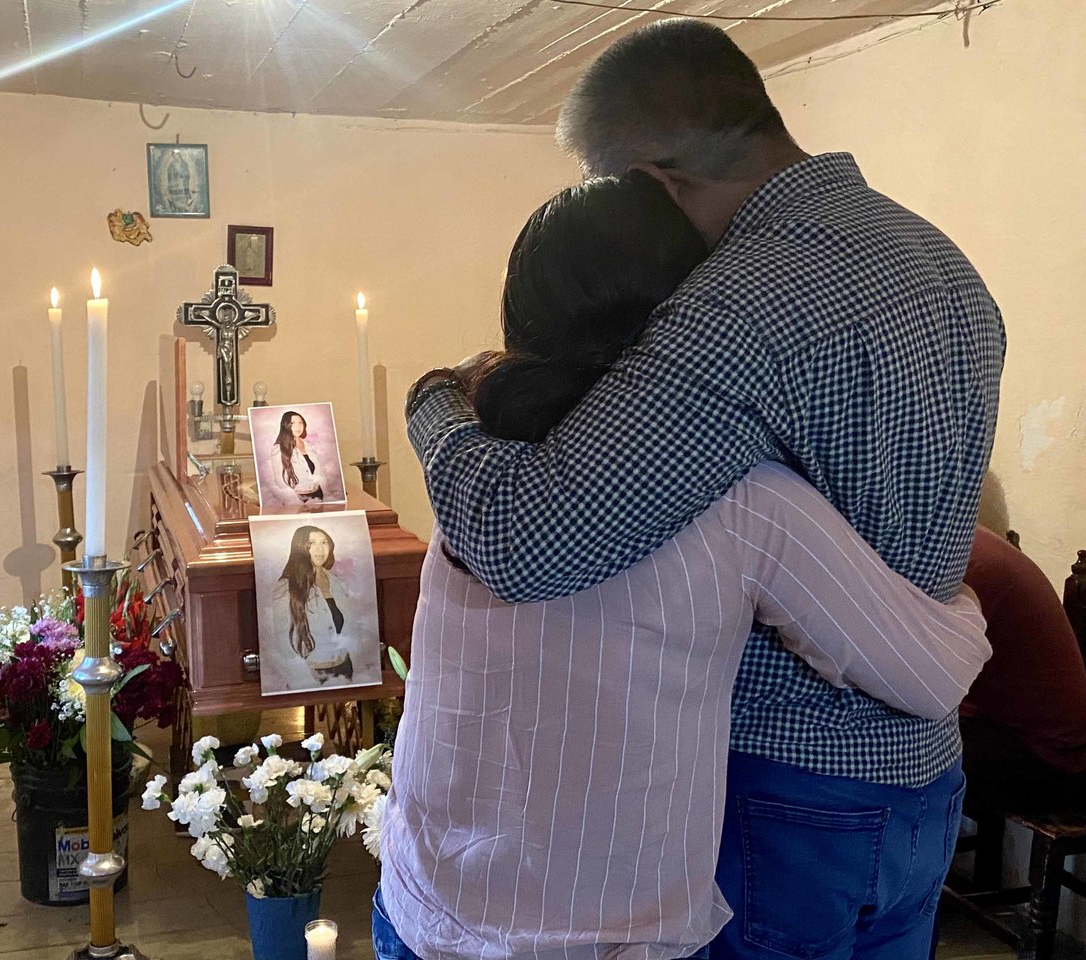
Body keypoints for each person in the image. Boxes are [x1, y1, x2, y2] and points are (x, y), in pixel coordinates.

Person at [402, 20, 1005, 959]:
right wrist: (958, 610)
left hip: (785, 788)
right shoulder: (940, 260)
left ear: (658, 182)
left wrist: (436, 402)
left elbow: (525, 538)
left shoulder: (742, 298)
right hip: (926, 779)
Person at [960, 526, 1086, 815]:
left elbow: (931, 687)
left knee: (907, 752)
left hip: (1056, 761)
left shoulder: (965, 566)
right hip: (1027, 737)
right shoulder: (969, 544)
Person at [269, 525, 359, 690]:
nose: (320, 549)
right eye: (311, 543)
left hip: (345, 670)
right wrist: (304, 681)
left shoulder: (338, 583)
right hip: (310, 676)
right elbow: (283, 644)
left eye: (324, 542)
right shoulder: (286, 588)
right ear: (300, 547)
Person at [266, 411, 327, 506]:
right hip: (297, 500)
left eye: (300, 422)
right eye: (292, 423)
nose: (298, 427)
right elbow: (280, 482)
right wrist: (295, 503)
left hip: (318, 495)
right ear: (285, 425)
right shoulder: (278, 449)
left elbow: (319, 473)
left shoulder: (310, 446)